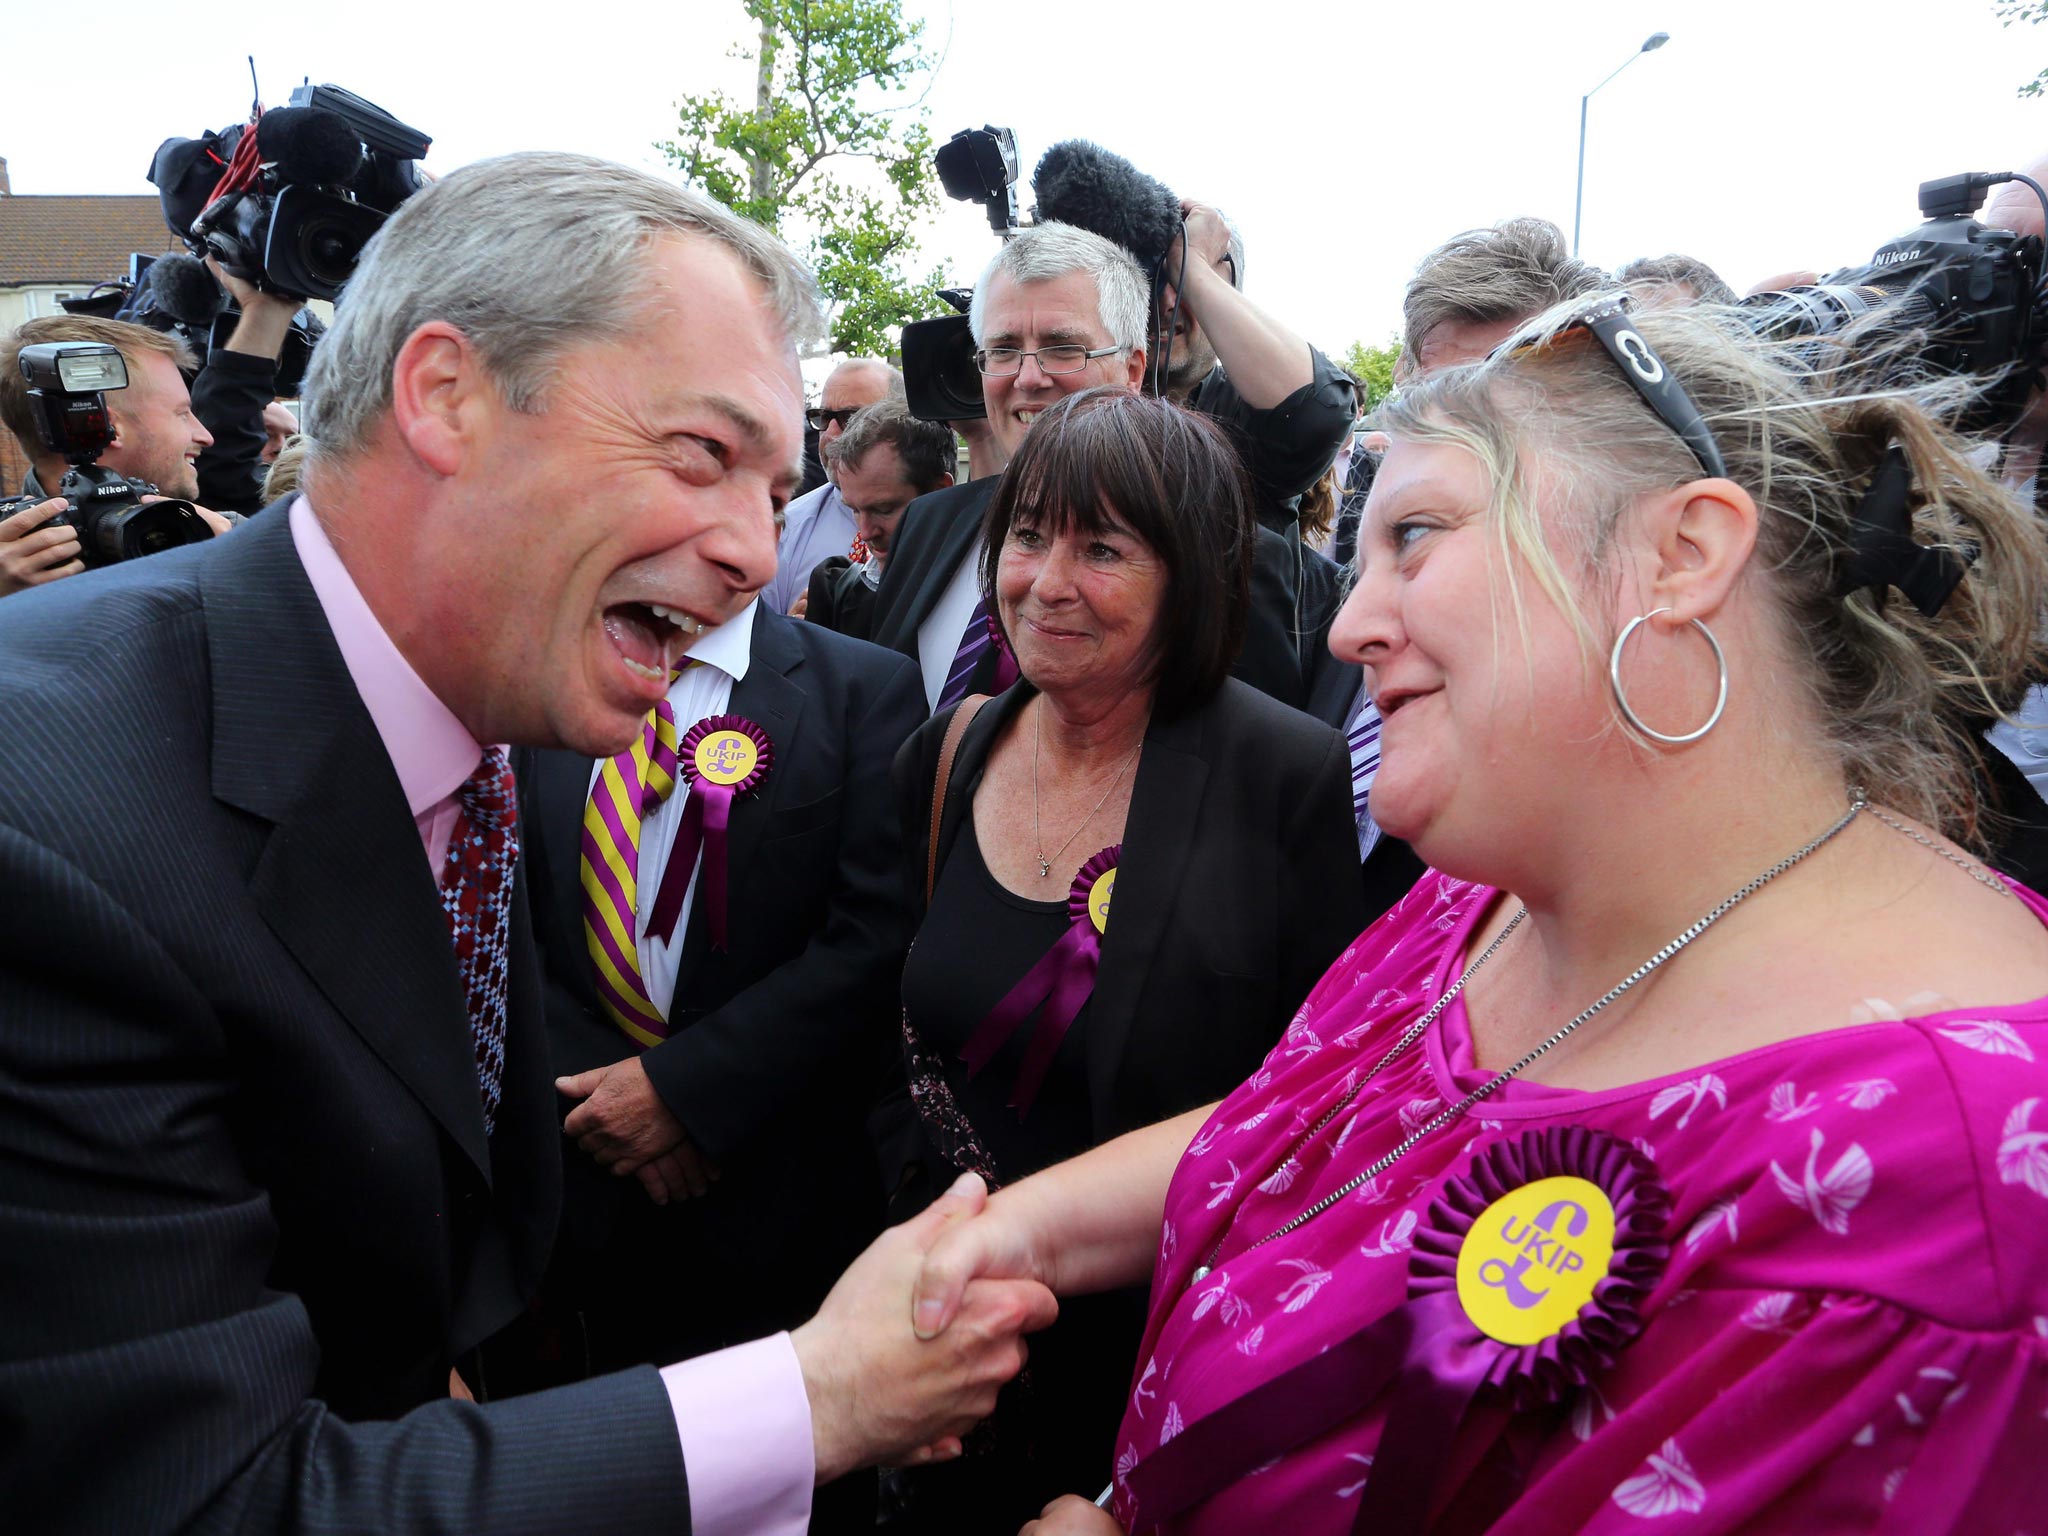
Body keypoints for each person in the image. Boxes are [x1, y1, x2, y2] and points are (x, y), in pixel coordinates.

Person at [0, 150, 1054, 1536]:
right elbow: (210, 1498)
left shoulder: (479, 726)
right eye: (703, 454)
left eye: (774, 482)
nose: (754, 551)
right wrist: (818, 1399)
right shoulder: (51, 830)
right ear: (446, 396)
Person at [913, 298, 2048, 1535]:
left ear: (1681, 556)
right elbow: (1272, 1137)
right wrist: (1007, 1234)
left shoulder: (1957, 1204)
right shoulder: (1472, 903)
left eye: (1415, 535)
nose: (1349, 625)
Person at [879, 387, 1364, 1532]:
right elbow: (888, 1028)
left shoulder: (1279, 771)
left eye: (1100, 548)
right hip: (942, 1334)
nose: (1045, 583)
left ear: (1188, 575)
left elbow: (1318, 1101)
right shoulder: (945, 753)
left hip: (1146, 1364)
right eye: (1029, 535)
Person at [871, 222, 1341, 716]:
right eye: (1004, 349)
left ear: (1133, 371)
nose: (1028, 377)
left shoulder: (1230, 557)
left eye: (1063, 347)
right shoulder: (926, 523)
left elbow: (1249, 770)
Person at [1313, 217, 1610, 920]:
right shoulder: (1338, 598)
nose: (1459, 435)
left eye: (1502, 405)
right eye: (1440, 394)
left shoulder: (1599, 698)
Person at [0, 315, 236, 595]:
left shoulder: (219, 535)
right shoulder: (9, 569)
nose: (206, 436)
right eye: (182, 414)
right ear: (107, 425)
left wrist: (238, 566)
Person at [805, 398, 957, 640]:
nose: (865, 533)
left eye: (883, 509)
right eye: (854, 509)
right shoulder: (841, 595)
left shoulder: (983, 603)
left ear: (941, 492)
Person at [764, 356, 901, 615]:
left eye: (851, 417)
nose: (830, 435)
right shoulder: (786, 529)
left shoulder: (942, 524)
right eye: (824, 417)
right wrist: (790, 635)